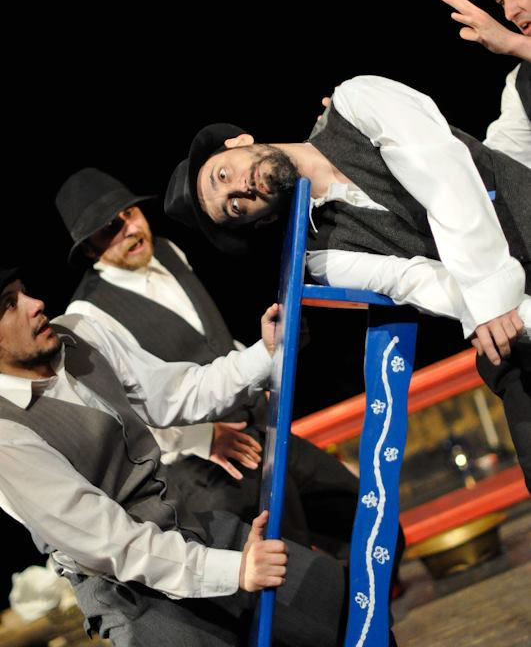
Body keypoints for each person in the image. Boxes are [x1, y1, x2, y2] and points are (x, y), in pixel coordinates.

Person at [164, 74, 531, 491]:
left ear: (239, 142)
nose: (241, 189)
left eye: (223, 174)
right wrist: (508, 313)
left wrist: (492, 296)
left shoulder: (355, 102)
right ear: (257, 220)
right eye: (234, 207)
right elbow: (418, 282)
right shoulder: (324, 255)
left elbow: (444, 176)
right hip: (508, 320)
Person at [0, 267, 351, 646]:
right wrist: (232, 570)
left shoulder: (79, 332)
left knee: (336, 603)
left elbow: (173, 392)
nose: (36, 304)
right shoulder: (5, 432)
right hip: (129, 590)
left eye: (24, 291)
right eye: (9, 304)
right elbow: (108, 541)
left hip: (190, 525)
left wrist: (263, 354)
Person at [54, 167, 365, 560]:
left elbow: (209, 338)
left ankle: (374, 597)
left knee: (358, 514)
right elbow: (124, 416)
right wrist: (205, 438)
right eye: (109, 229)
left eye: (128, 214)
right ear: (89, 249)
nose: (129, 230)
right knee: (292, 565)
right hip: (205, 465)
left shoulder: (166, 250)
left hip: (257, 427)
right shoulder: (88, 315)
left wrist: (260, 371)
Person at [434, 0, 531, 169]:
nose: (509, 13)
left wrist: (512, 43)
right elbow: (499, 168)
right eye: (501, 2)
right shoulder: (521, 82)